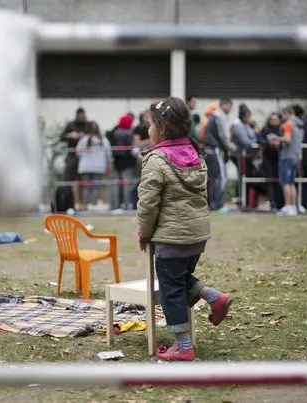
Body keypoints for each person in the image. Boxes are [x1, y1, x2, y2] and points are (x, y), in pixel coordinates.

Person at [137, 97, 231, 361]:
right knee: (177, 279)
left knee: (171, 290)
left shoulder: (156, 160)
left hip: (172, 237)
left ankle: (183, 346)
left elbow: (147, 205)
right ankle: (215, 298)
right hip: (196, 236)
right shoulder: (194, 153)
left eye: (150, 125)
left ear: (162, 129)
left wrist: (144, 234)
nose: (147, 130)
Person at [204, 98, 234, 212]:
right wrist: (230, 148)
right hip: (214, 149)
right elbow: (224, 135)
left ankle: (212, 204)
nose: (231, 109)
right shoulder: (220, 116)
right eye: (230, 106)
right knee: (221, 177)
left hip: (209, 150)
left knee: (213, 178)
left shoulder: (213, 116)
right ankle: (218, 205)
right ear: (224, 104)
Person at [274, 107, 304, 216]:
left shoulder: (288, 124)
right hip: (296, 156)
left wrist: (277, 138)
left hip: (287, 156)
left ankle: (287, 206)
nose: (282, 118)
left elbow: (287, 139)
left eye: (283, 115)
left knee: (285, 182)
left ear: (288, 114)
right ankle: (293, 206)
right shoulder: (300, 125)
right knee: (292, 183)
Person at [75, 122, 111, 209]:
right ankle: (94, 205)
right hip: (98, 167)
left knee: (86, 187)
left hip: (85, 167)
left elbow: (77, 152)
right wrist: (107, 164)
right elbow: (108, 153)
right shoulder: (102, 139)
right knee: (96, 187)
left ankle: (86, 205)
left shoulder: (83, 139)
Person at [61, 108, 91, 209]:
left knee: (83, 182)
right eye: (79, 115)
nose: (81, 117)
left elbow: (94, 136)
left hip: (84, 158)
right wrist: (70, 135)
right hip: (72, 156)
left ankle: (83, 204)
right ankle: (70, 204)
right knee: (68, 181)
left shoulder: (88, 125)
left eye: (83, 115)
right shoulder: (71, 125)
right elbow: (62, 137)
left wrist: (84, 136)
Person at [230, 104, 257, 205]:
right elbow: (246, 142)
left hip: (246, 155)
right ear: (243, 116)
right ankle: (241, 199)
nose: (249, 118)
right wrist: (252, 142)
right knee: (242, 176)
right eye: (248, 116)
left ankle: (243, 198)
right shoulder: (237, 126)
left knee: (244, 176)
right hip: (239, 155)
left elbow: (253, 137)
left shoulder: (245, 125)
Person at [109, 114, 137, 210]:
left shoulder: (115, 132)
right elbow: (130, 148)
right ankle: (127, 204)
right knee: (127, 184)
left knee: (116, 184)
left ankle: (115, 205)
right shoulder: (128, 133)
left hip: (117, 161)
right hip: (127, 162)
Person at [258, 113, 283, 210]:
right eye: (272, 119)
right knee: (270, 180)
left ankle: (279, 202)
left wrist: (278, 144)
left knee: (279, 180)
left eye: (275, 119)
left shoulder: (281, 128)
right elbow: (260, 139)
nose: (273, 121)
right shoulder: (265, 129)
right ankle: (272, 201)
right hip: (268, 158)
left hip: (279, 158)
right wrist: (268, 143)